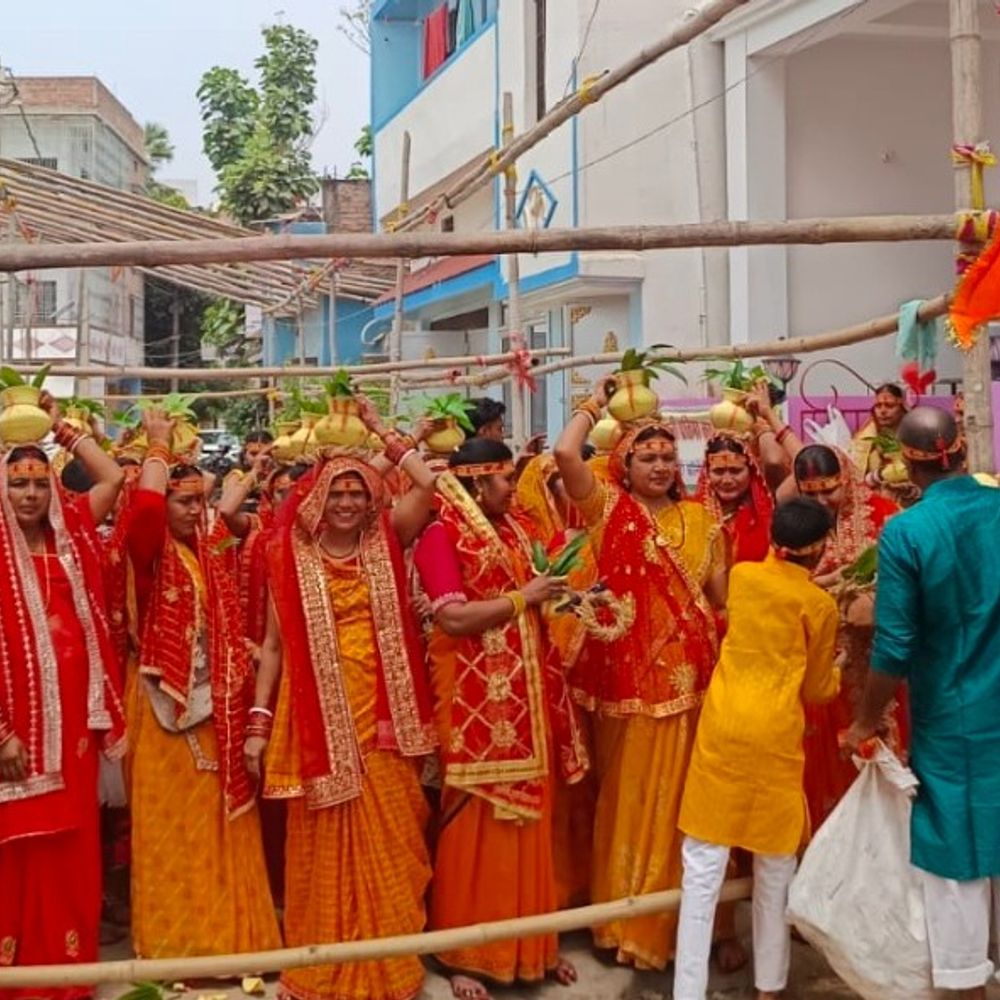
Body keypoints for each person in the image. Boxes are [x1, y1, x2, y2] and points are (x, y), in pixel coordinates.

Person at [249, 401, 438, 1000]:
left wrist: (379, 430)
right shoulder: (289, 555)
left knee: (394, 838)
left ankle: (391, 966)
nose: (348, 503)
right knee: (322, 845)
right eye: (337, 493)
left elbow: (426, 484)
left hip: (384, 720)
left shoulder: (387, 538)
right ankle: (322, 965)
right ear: (317, 499)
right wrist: (258, 724)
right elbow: (273, 647)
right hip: (317, 724)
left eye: (358, 493)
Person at [553, 383, 727, 972]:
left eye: (666, 456)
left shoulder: (702, 520)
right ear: (623, 466)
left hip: (693, 686)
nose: (659, 465)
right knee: (628, 803)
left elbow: (718, 601)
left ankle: (681, 929)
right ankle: (622, 925)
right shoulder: (608, 510)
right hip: (628, 690)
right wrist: (592, 404)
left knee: (684, 807)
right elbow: (566, 455)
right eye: (646, 457)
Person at [414, 437, 588, 999]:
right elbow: (454, 618)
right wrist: (523, 598)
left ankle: (533, 946)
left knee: (530, 823)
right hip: (473, 703)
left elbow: (533, 594)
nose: (514, 487)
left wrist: (566, 599)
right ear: (477, 480)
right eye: (506, 478)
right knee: (475, 826)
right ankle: (463, 954)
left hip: (525, 697)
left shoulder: (514, 528)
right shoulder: (439, 536)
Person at [846, 408, 1000, 1000]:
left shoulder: (907, 532)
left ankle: (965, 984)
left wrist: (865, 720)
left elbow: (895, 643)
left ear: (906, 465)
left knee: (955, 846)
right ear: (962, 451)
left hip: (955, 715)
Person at [124, 409, 280, 958]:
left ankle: (232, 941)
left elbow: (222, 503)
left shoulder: (204, 547)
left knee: (221, 825)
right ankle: (177, 948)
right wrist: (158, 445)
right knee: (174, 829)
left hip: (217, 708)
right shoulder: (148, 553)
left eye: (198, 501)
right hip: (164, 710)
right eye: (183, 502)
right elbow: (146, 509)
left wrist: (252, 472)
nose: (196, 510)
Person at [674, 498, 840, 1000]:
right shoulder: (820, 607)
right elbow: (818, 690)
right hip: (774, 737)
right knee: (774, 868)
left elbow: (771, 594)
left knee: (702, 869)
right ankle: (769, 988)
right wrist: (842, 663)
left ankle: (687, 993)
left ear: (774, 540)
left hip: (723, 730)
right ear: (821, 550)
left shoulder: (744, 577)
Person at [0, 399, 127, 1000]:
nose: (29, 495)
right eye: (17, 484)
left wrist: (56, 426)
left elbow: (114, 476)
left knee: (73, 843)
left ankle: (68, 974)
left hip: (75, 725)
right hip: (15, 728)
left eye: (38, 483)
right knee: (16, 850)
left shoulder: (71, 533)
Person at [785, 443, 904, 830]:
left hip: (878, 660)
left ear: (847, 478)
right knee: (825, 758)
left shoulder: (885, 515)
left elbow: (905, 584)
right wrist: (824, 583)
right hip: (823, 662)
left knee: (883, 750)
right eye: (811, 493)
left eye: (829, 490)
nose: (821, 502)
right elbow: (783, 585)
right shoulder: (796, 524)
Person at [694, 434, 774, 566]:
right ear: (707, 473)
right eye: (718, 471)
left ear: (751, 471)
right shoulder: (691, 513)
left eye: (735, 471)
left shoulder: (766, 514)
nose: (727, 480)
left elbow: (774, 461)